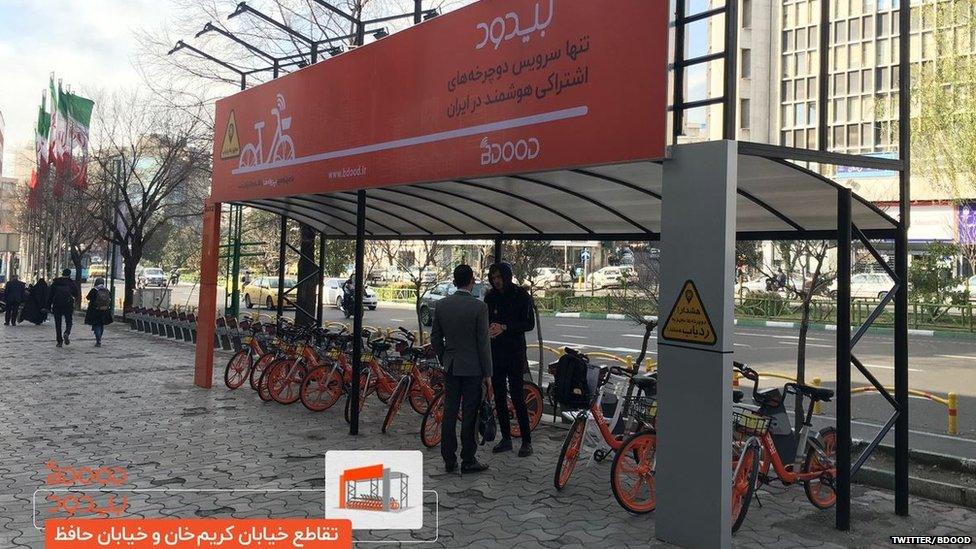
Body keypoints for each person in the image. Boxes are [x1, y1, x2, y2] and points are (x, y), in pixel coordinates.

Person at [431, 264, 492, 474]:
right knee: (470, 414)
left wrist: (444, 358)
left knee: (449, 412)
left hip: (451, 366)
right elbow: (483, 343)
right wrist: (488, 374)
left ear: (455, 281)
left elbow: (435, 338)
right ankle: (468, 459)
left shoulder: (442, 305)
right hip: (473, 369)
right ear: (471, 281)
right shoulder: (479, 307)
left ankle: (449, 459)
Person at [485, 262, 536, 457]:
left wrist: (505, 327)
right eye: (494, 278)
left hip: (514, 352)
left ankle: (526, 440)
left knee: (517, 395)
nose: (496, 281)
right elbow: (486, 319)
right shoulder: (490, 297)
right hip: (496, 351)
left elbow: (529, 323)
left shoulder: (521, 295)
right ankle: (505, 438)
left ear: (507, 276)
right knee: (498, 395)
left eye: (499, 277)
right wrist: (489, 330)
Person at [49, 269, 78, 347]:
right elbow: (76, 294)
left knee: (58, 323)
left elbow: (50, 295)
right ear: (69, 274)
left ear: (62, 273)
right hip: (68, 305)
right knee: (69, 321)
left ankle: (59, 341)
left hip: (57, 305)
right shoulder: (71, 283)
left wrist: (49, 305)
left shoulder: (56, 282)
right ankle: (67, 332)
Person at [84, 278, 114, 347]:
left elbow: (88, 298)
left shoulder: (94, 290)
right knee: (101, 325)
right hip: (105, 310)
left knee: (96, 324)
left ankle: (98, 340)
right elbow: (110, 298)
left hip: (95, 310)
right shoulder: (106, 290)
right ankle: (99, 338)